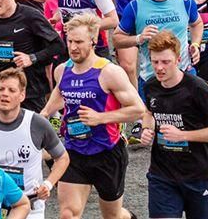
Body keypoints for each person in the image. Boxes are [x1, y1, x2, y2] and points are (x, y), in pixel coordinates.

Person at [40, 13, 145, 219]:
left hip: (107, 152)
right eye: (69, 41)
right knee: (68, 214)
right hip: (74, 151)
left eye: (78, 42)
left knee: (112, 216)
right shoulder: (62, 70)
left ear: (93, 41)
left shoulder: (109, 72)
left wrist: (100, 118)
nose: (72, 47)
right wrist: (41, 117)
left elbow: (138, 109)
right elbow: (58, 97)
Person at [139, 32, 208, 219]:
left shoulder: (197, 88)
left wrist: (183, 135)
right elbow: (149, 113)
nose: (159, 68)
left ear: (178, 59)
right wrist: (147, 130)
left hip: (198, 174)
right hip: (162, 175)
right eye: (155, 62)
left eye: (165, 62)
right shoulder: (151, 86)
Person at [0, 68, 68, 219]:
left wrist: (48, 184)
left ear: (22, 95)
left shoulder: (37, 124)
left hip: (31, 205)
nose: (5, 94)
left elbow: (63, 158)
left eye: (11, 90)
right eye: (1, 89)